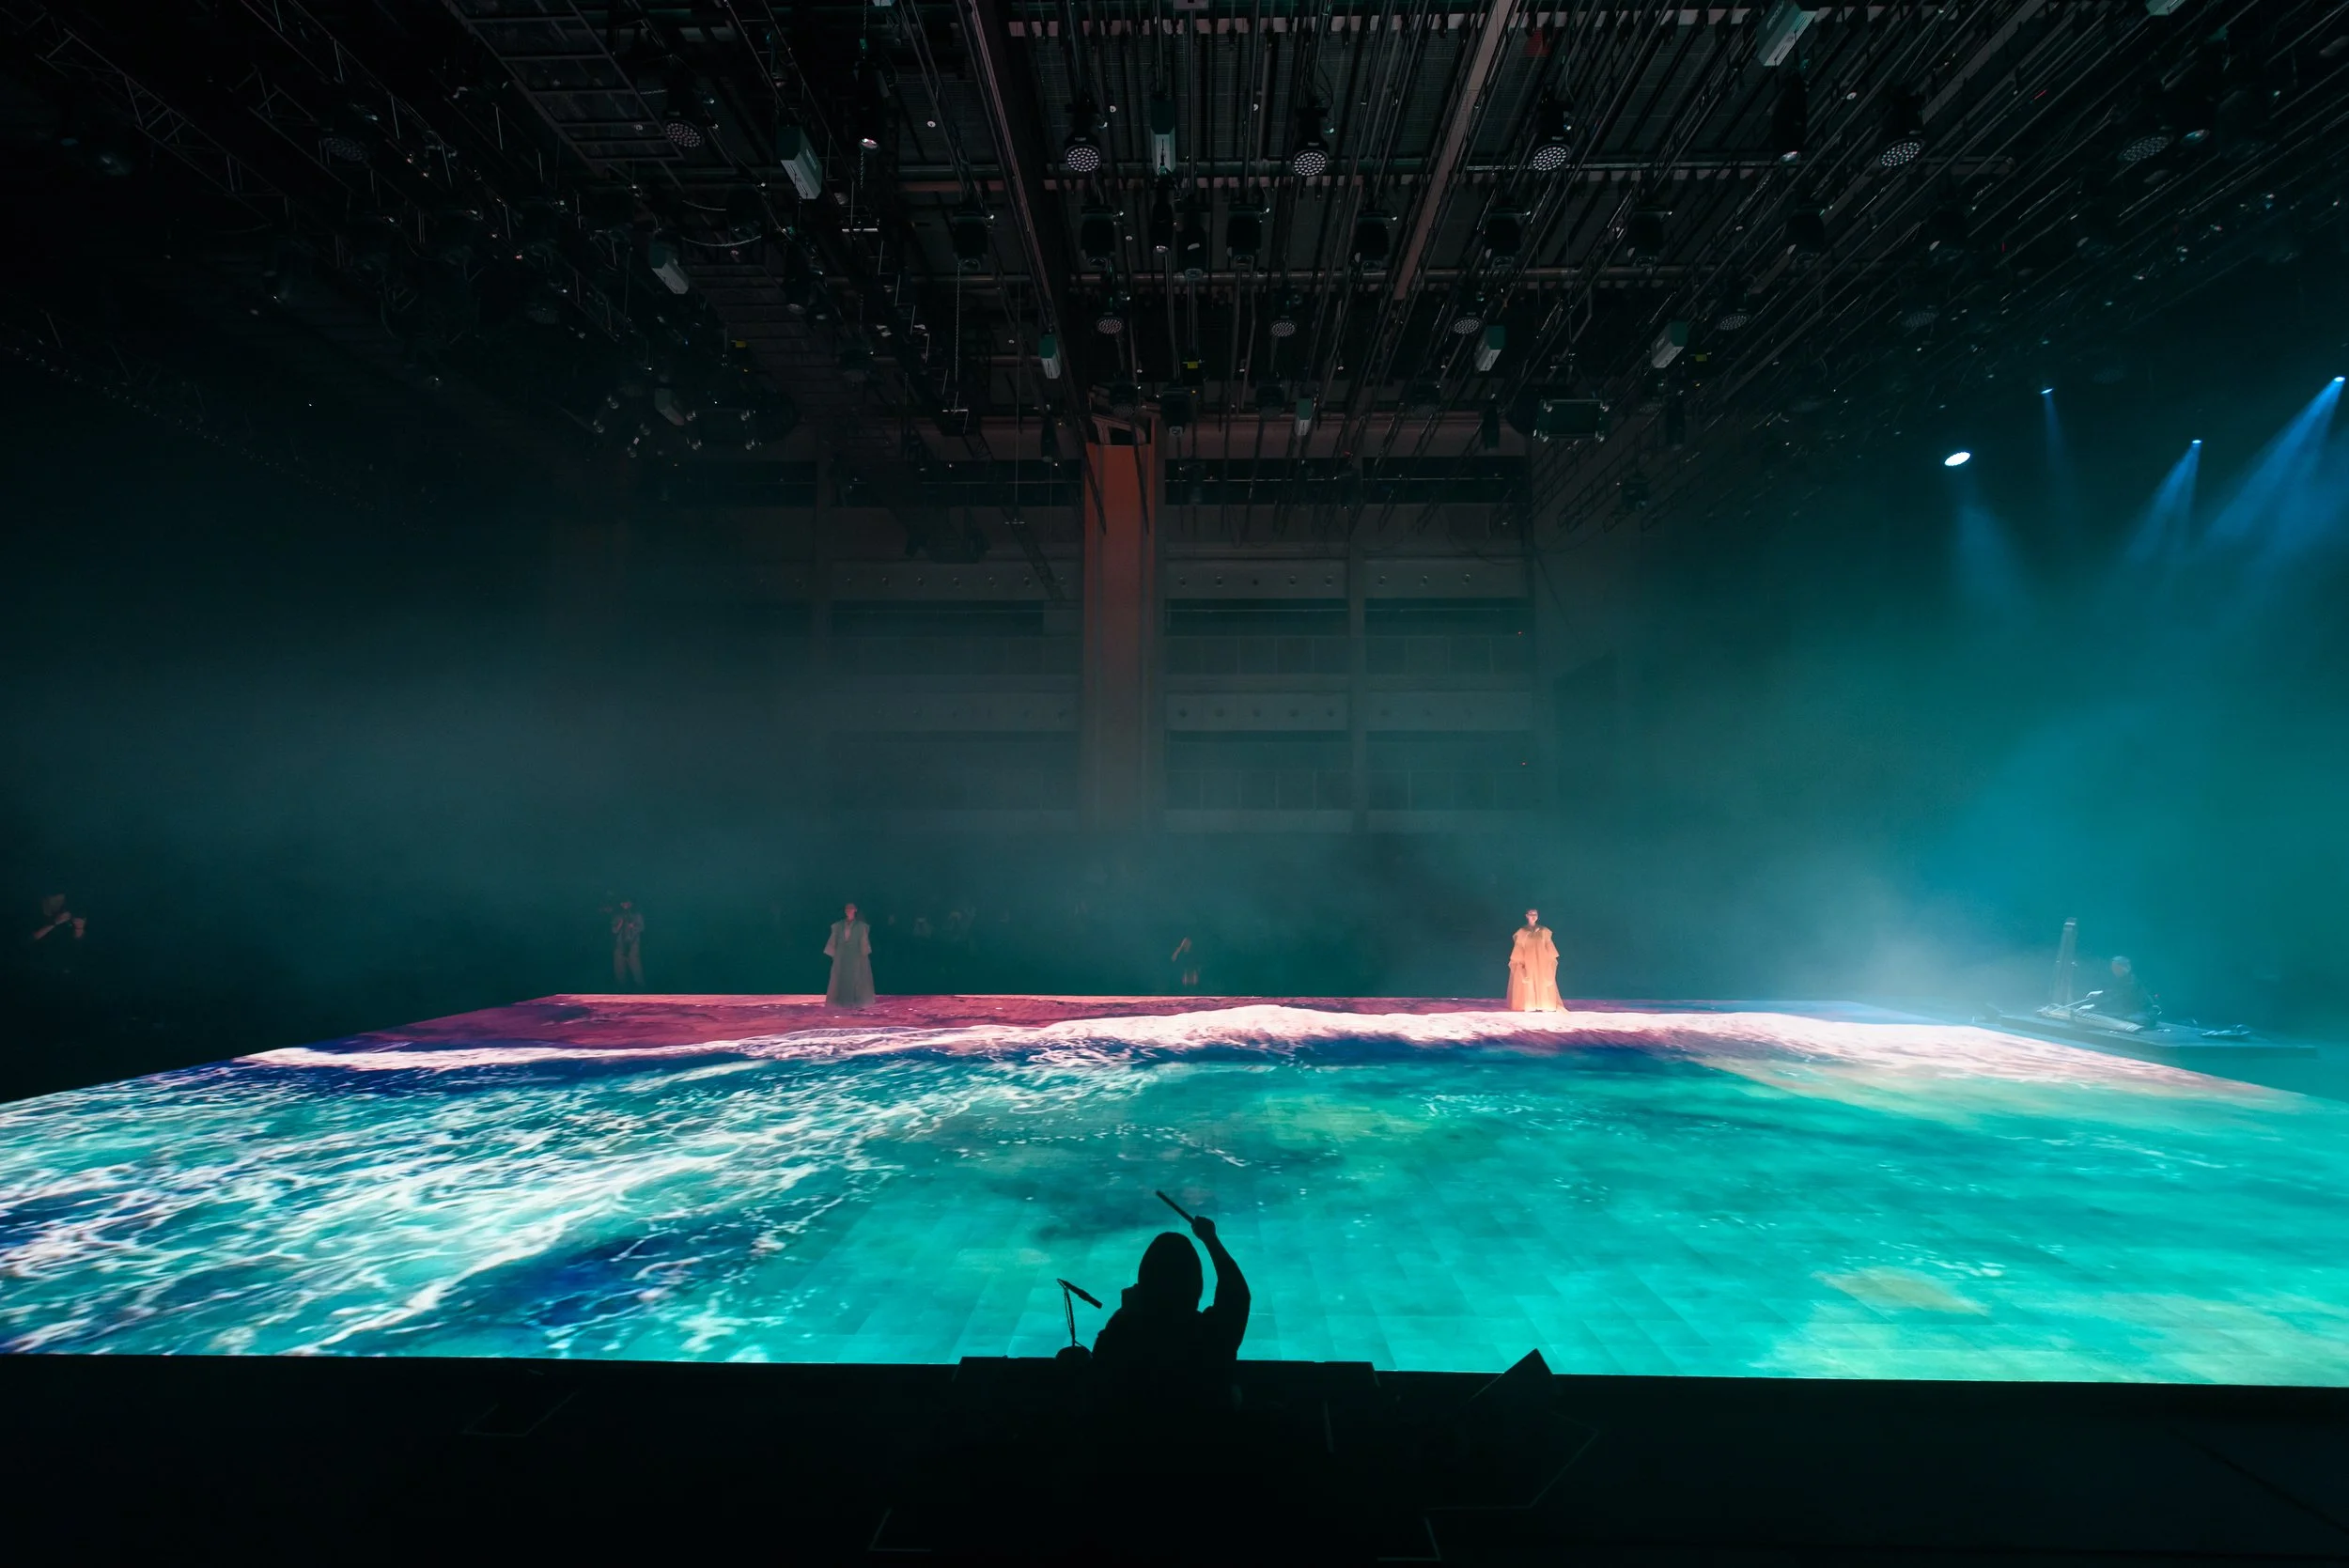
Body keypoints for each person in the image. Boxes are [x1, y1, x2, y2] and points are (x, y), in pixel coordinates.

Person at [1091, 1212, 1249, 1402]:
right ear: (1195, 1284)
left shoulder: (1120, 1334)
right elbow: (1237, 1295)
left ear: (1142, 1286)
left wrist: (1127, 1312)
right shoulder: (1212, 1334)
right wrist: (1210, 1240)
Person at [1506, 908, 1563, 1012]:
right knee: (1528, 979)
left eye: (1535, 914)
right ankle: (1529, 1004)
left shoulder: (1544, 931)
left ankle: (1544, 1003)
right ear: (1526, 916)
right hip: (1528, 959)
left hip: (1542, 960)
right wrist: (1520, 962)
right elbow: (1519, 947)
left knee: (1543, 979)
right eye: (1531, 914)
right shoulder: (1522, 932)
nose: (1533, 916)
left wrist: (1550, 959)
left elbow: (1548, 945)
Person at [825, 901, 874, 1008]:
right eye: (847, 909)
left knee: (855, 976)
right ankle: (841, 1001)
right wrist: (834, 954)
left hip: (855, 954)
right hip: (842, 954)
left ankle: (856, 1001)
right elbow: (834, 939)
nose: (849, 911)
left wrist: (864, 954)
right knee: (841, 976)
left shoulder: (861, 926)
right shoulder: (838, 926)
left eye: (851, 909)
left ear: (855, 910)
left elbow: (863, 941)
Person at [2085, 955, 2155, 1023]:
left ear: (2127, 968)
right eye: (2113, 968)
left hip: (2142, 1013)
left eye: (2117, 968)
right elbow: (2114, 991)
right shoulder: (2123, 979)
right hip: (2131, 1012)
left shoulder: (2132, 981)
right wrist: (2100, 993)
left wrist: (2094, 1006)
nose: (2114, 970)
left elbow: (2117, 998)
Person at [609, 897, 645, 989]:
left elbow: (641, 928)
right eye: (623, 902)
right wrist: (619, 924)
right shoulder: (617, 916)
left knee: (636, 968)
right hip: (620, 945)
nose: (625, 904)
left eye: (627, 902)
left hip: (633, 944)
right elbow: (614, 930)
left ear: (631, 903)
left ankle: (641, 988)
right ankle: (621, 989)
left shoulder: (637, 915)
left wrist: (633, 926)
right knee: (619, 969)